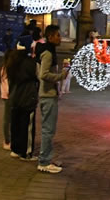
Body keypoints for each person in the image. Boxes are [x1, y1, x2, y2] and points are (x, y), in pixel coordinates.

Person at [36, 25, 69, 174]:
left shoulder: (49, 51)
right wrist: (60, 76)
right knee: (48, 130)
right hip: (47, 95)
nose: (59, 38)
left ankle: (47, 158)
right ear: (50, 37)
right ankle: (44, 162)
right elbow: (43, 74)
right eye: (57, 35)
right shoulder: (48, 53)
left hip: (49, 94)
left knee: (49, 129)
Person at [8, 49, 38, 162]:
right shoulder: (30, 63)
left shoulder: (12, 62)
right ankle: (26, 152)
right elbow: (38, 75)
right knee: (27, 126)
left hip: (15, 98)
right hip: (27, 98)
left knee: (15, 125)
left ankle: (15, 149)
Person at [0, 49, 17, 150]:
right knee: (8, 119)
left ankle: (8, 139)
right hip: (9, 96)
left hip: (7, 96)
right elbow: (7, 85)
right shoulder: (9, 69)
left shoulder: (4, 68)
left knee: (8, 119)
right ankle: (7, 140)